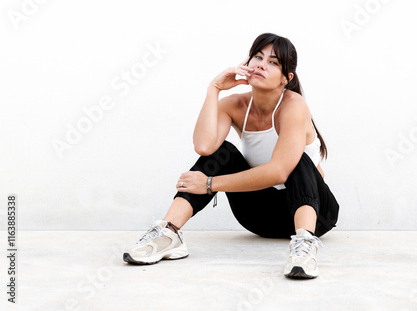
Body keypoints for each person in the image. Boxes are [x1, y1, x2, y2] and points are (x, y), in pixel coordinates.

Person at [123, 33, 340, 279]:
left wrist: (208, 185)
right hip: (259, 217)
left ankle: (305, 247)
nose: (261, 64)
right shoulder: (235, 105)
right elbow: (204, 147)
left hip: (315, 213)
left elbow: (279, 171)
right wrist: (213, 89)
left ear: (286, 79)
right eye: (257, 57)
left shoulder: (294, 105)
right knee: (222, 151)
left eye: (273, 62)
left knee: (298, 160)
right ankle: (168, 232)